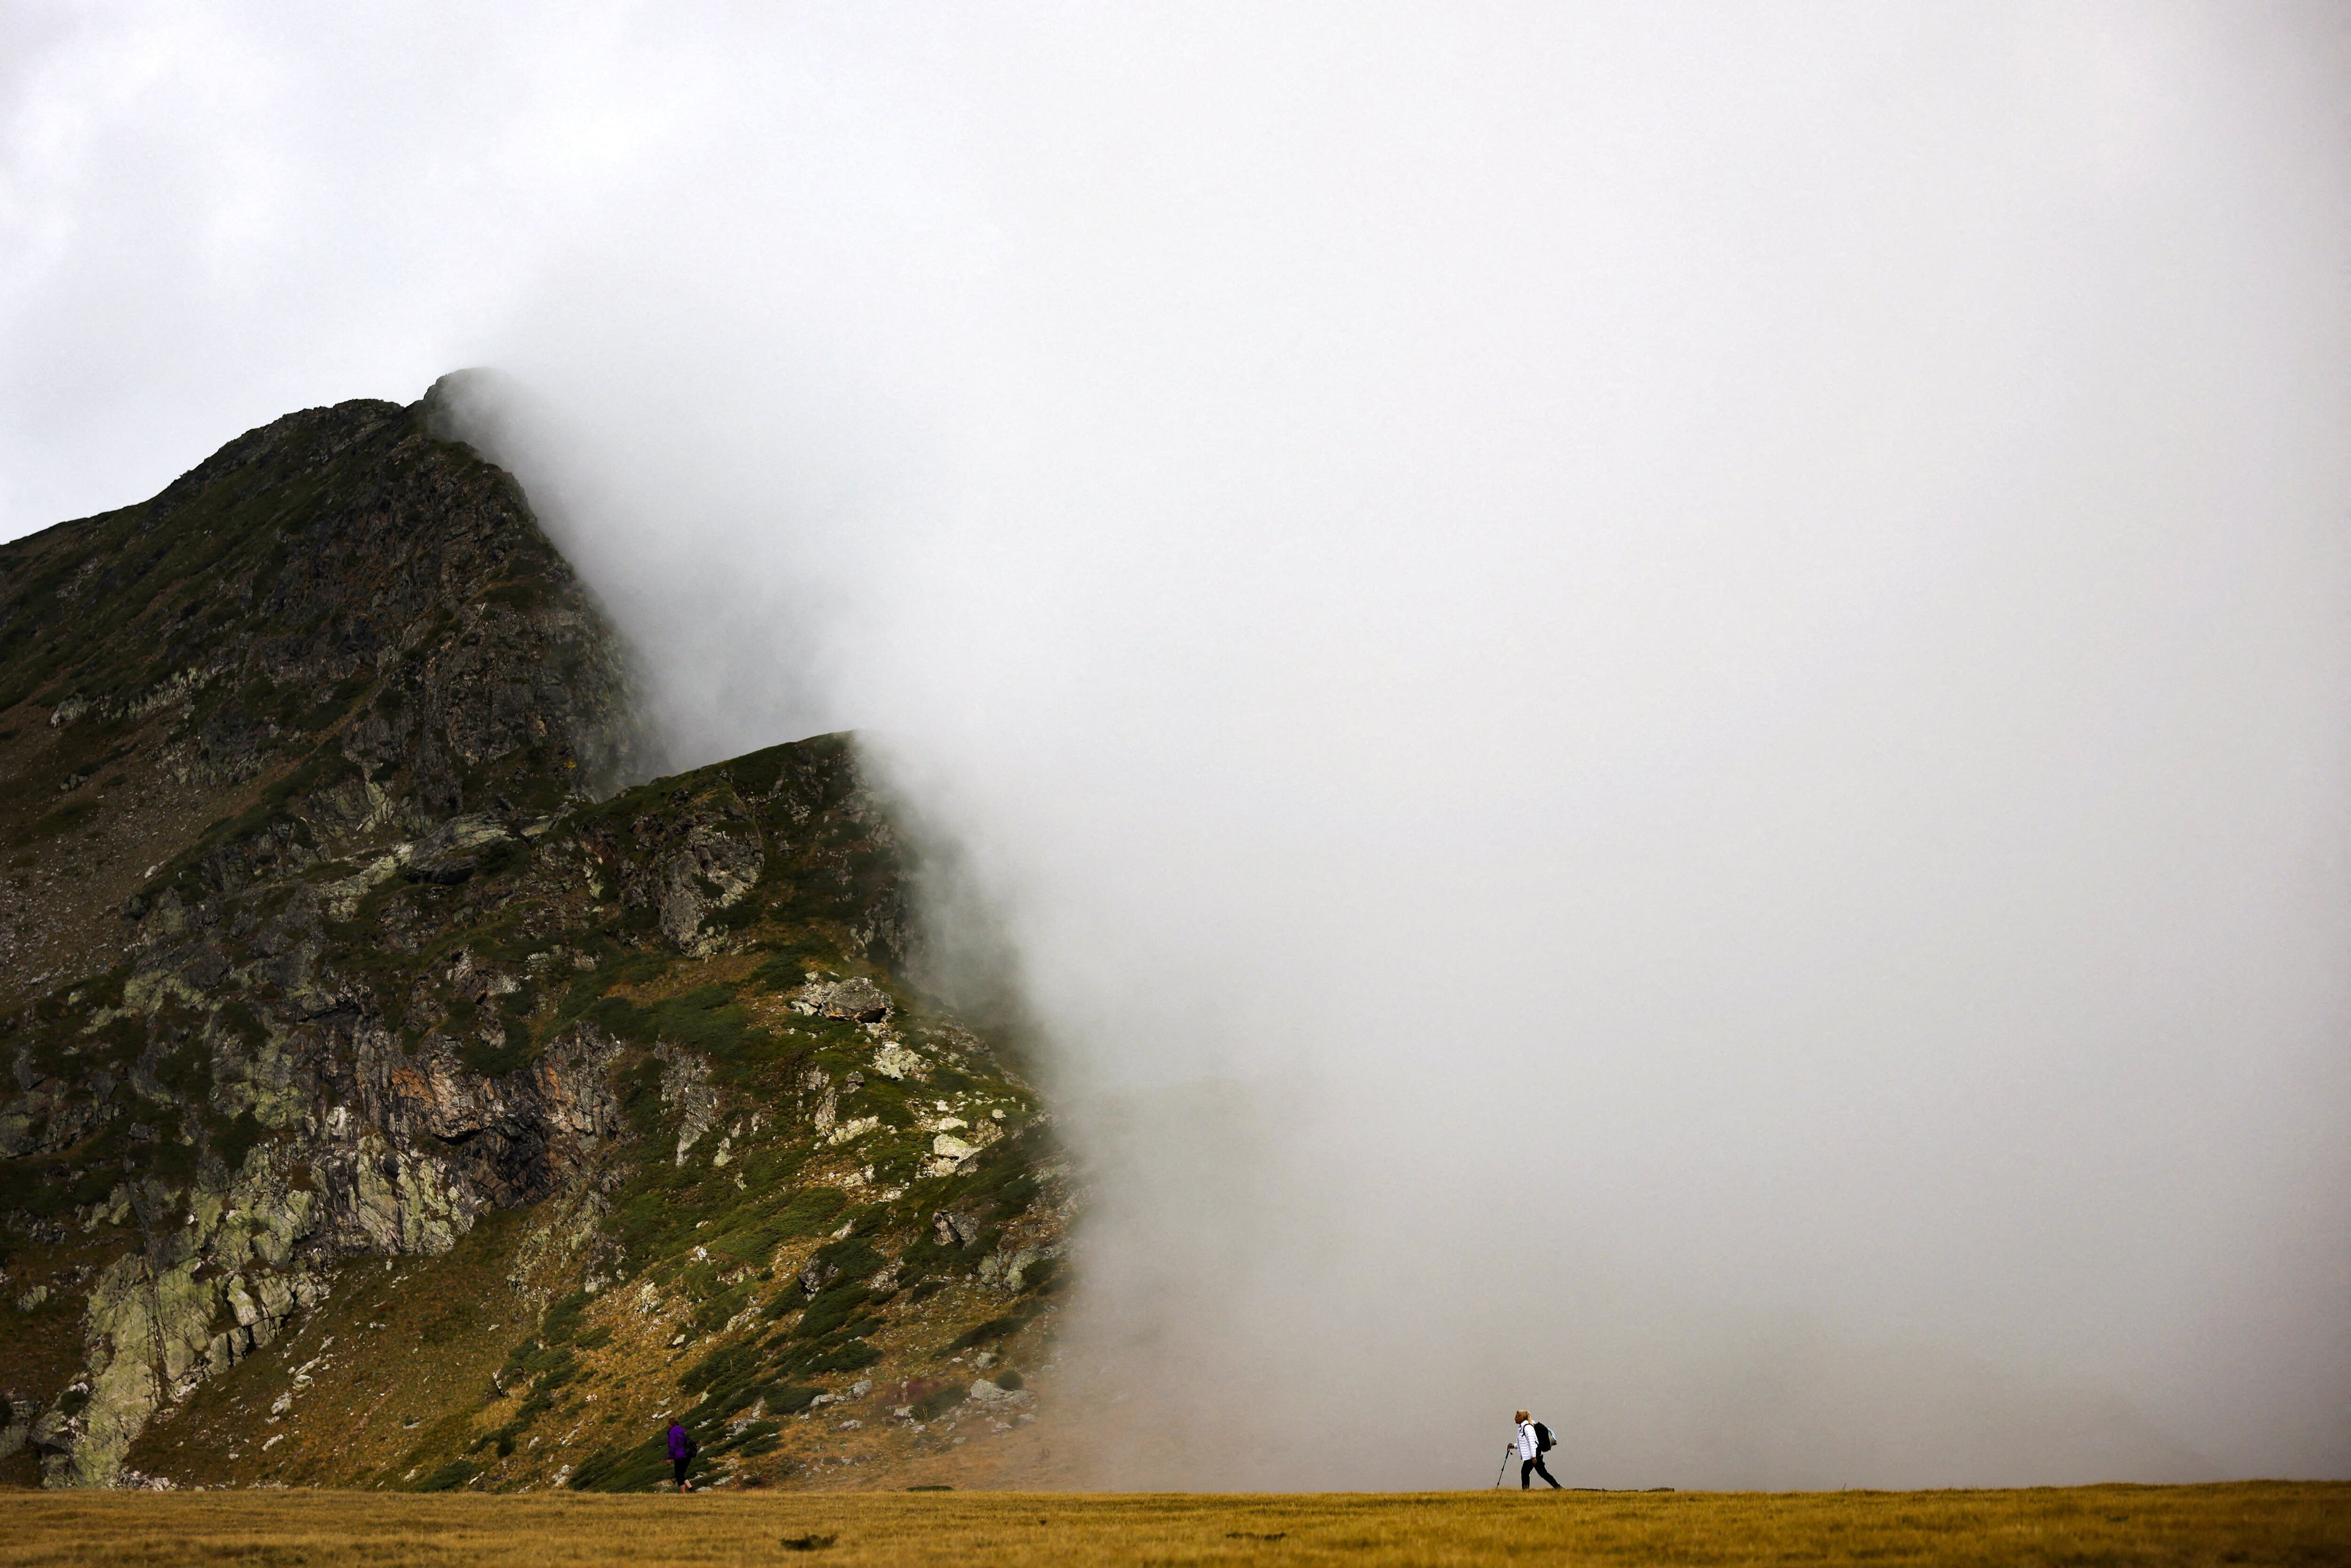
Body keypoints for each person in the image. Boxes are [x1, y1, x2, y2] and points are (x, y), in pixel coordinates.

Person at [1514, 1409, 1560, 1490]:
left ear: (1522, 1419)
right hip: (1535, 1455)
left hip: (1534, 1456)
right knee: (1542, 1473)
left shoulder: (1527, 1428)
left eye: (1516, 1417)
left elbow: (1532, 1443)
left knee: (1525, 1472)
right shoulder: (1523, 1427)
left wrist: (1533, 1457)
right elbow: (1525, 1443)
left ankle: (1526, 1491)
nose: (1515, 1419)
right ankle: (1558, 1487)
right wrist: (1514, 1446)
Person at [668, 1419, 697, 1491]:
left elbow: (672, 1446)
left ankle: (684, 1493)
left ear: (671, 1424)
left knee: (678, 1475)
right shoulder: (682, 1431)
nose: (667, 1425)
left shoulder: (673, 1432)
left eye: (668, 1423)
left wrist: (669, 1458)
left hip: (679, 1456)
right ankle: (691, 1489)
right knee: (681, 1474)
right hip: (687, 1455)